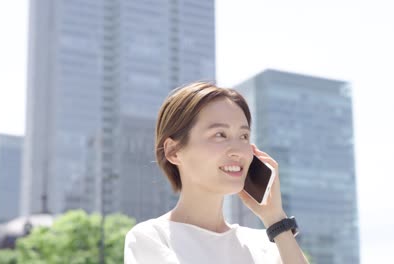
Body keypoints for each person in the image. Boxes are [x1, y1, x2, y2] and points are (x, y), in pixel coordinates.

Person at [124, 82, 309, 264]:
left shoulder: (265, 244)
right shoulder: (152, 238)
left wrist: (275, 219)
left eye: (244, 136)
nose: (238, 150)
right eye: (220, 134)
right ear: (173, 151)